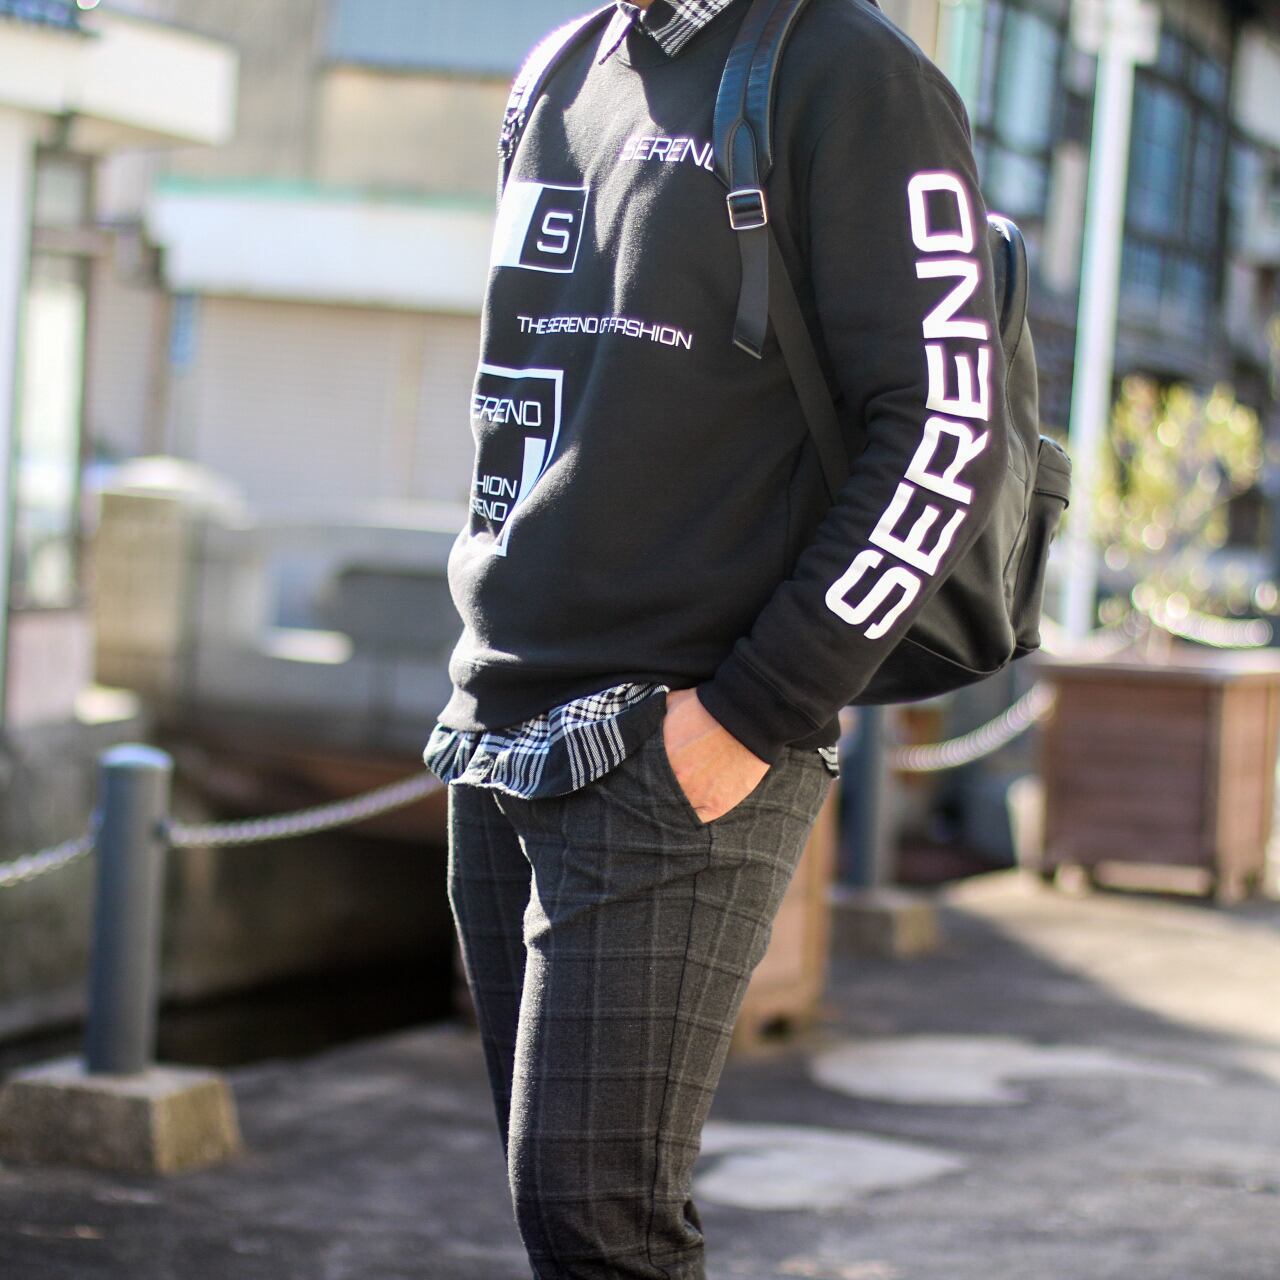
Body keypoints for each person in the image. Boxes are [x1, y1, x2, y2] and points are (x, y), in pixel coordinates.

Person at [423, 0, 1009, 1274]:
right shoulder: (560, 68)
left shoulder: (849, 73)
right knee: (556, 1210)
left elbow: (943, 430)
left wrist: (750, 712)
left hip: (681, 726)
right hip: (498, 718)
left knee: (595, 1215)